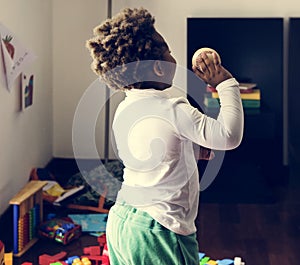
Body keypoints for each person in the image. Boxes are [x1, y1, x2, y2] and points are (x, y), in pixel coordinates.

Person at [86, 7, 244, 265]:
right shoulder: (174, 109)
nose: (173, 57)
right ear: (159, 68)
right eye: (168, 50)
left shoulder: (125, 109)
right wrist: (225, 83)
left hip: (122, 221)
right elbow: (228, 136)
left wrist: (189, 149)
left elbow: (153, 151)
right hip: (160, 231)